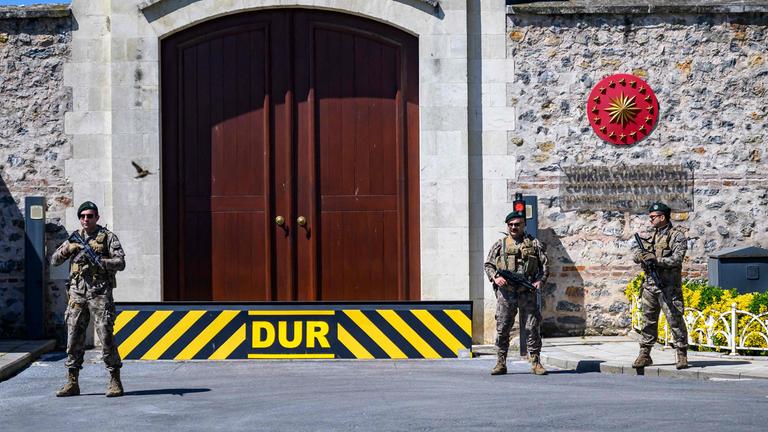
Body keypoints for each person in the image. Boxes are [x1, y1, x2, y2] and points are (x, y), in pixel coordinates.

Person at [51, 201, 126, 397]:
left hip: (100, 294)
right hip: (77, 294)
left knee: (106, 336)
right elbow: (54, 260)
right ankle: (72, 382)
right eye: (82, 216)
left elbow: (120, 263)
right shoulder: (73, 238)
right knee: (74, 336)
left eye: (90, 216)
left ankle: (114, 380)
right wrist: (69, 249)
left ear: (97, 217)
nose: (86, 219)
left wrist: (101, 261)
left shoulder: (108, 237)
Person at [484, 209, 549, 375]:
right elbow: (489, 265)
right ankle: (500, 362)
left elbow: (545, 266)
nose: (514, 227)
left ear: (524, 225)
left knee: (532, 327)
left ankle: (535, 362)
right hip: (506, 293)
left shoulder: (535, 244)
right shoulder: (500, 244)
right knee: (503, 327)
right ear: (507, 226)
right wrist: (495, 278)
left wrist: (539, 282)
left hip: (527, 292)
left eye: (517, 224)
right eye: (511, 225)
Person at [632, 202, 689, 370]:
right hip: (650, 285)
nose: (650, 220)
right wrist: (641, 256)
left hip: (668, 287)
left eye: (653, 217)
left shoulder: (676, 236)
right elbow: (637, 255)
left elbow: (677, 259)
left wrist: (656, 260)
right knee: (647, 320)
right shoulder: (652, 236)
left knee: (675, 319)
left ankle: (681, 353)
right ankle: (645, 354)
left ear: (662, 217)